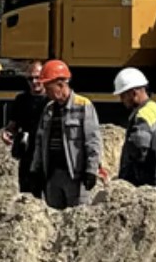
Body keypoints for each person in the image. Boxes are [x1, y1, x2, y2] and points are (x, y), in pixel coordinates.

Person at [27, 59, 102, 209]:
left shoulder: (83, 106)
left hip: (75, 176)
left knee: (76, 221)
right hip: (52, 175)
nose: (46, 92)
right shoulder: (48, 109)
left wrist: (91, 171)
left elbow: (92, 141)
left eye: (49, 88)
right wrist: (35, 170)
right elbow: (40, 142)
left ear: (61, 85)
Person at [112, 67, 156, 192]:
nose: (121, 100)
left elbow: (137, 154)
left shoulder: (141, 117)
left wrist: (125, 183)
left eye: (123, 96)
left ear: (134, 93)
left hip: (153, 189)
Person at [1, 61, 49, 198]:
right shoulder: (21, 100)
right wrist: (8, 133)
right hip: (27, 154)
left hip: (47, 155)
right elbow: (13, 125)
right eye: (30, 78)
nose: (34, 82)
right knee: (27, 195)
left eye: (38, 77)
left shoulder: (51, 101)